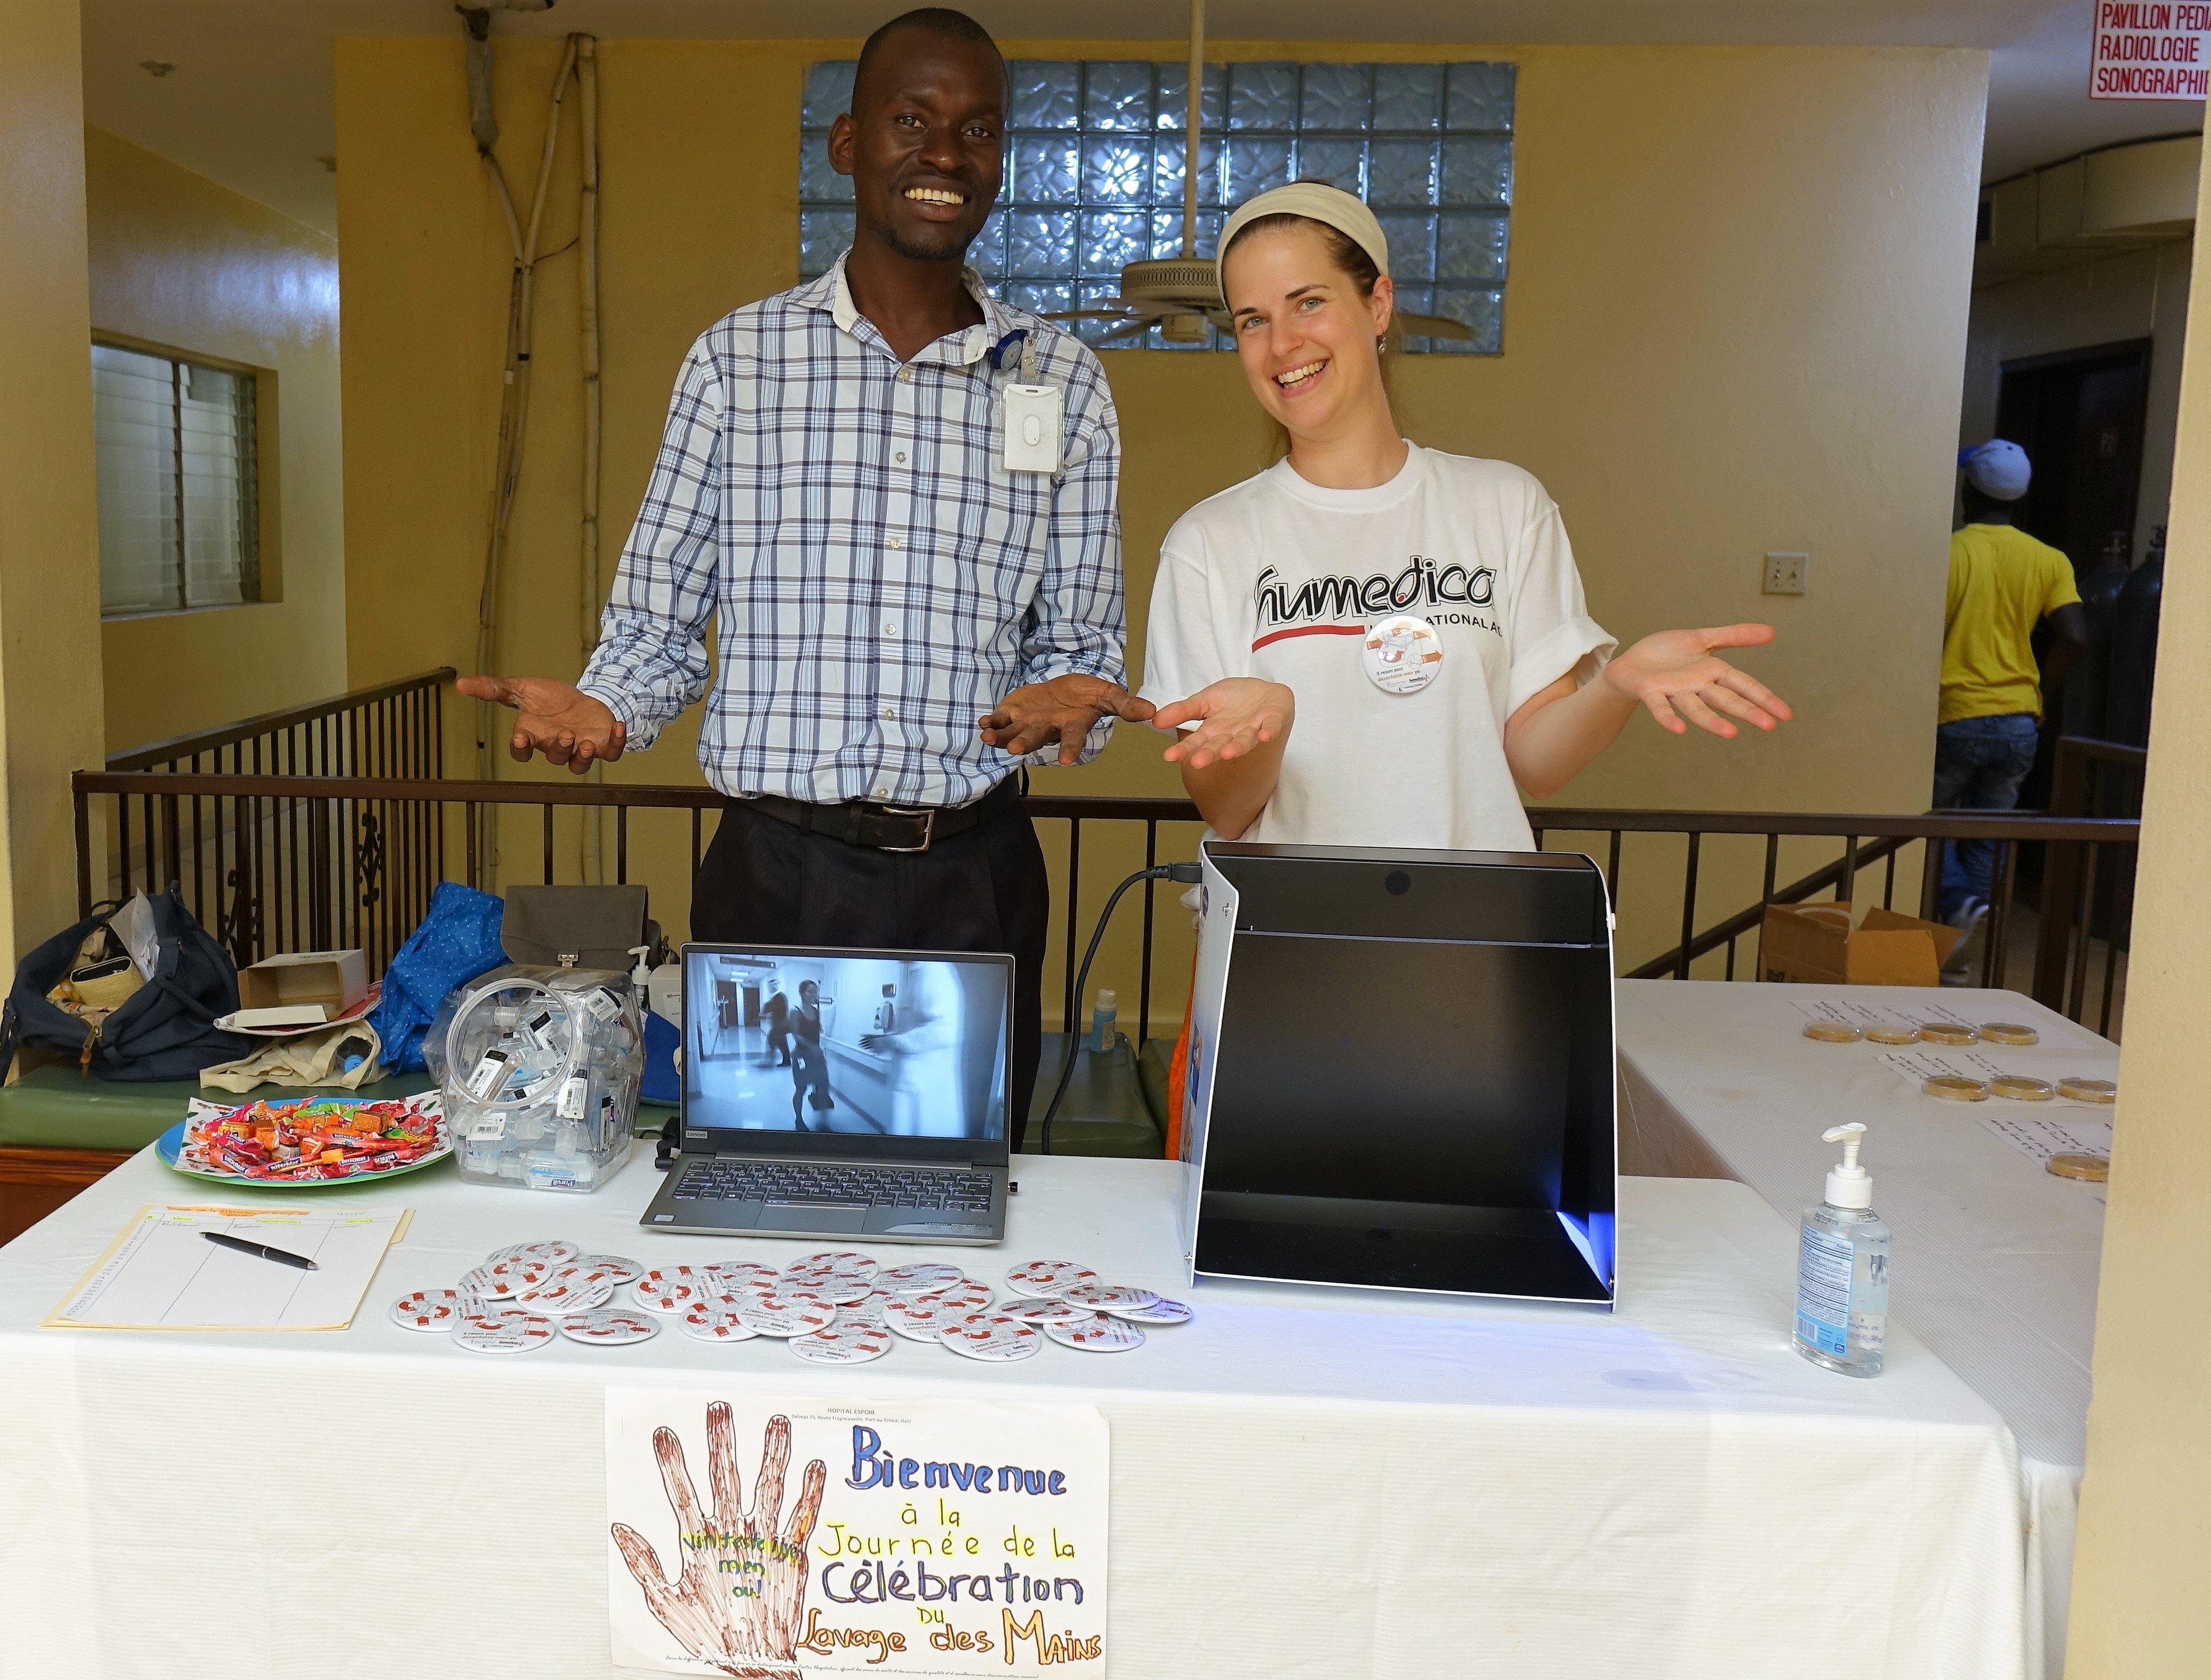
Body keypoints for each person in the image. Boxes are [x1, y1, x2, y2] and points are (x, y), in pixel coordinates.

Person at [455, 9, 1152, 1142]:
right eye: (912, 120)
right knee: (767, 1188)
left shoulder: (1061, 379)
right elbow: (660, 620)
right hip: (777, 871)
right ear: (847, 143)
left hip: (969, 877)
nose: (944, 154)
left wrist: (1077, 689)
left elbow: (1080, 638)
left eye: (977, 130)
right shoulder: (740, 361)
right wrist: (606, 704)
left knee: (960, 1193)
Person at [1139, 181, 1792, 853]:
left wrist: (1618, 686)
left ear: (1378, 305)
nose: (1282, 344)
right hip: (1285, 934)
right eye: (1252, 320)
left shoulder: (1504, 507)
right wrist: (1266, 730)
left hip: (1472, 929)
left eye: (1309, 302)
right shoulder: (1209, 543)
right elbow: (1224, 810)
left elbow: (1537, 764)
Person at [1933, 440, 2087, 939]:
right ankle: (1965, 945)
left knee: (1924, 827)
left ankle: (1957, 905)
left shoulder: (1949, 553)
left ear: (1966, 493)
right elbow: (2074, 634)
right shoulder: (2048, 559)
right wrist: (2040, 696)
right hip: (2020, 721)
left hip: (1954, 714)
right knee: (1988, 836)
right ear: (2017, 499)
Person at [789, 980, 834, 1125]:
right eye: (811, 992)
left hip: (817, 1055)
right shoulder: (795, 1011)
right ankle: (799, 1119)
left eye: (816, 992)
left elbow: (816, 1030)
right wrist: (812, 1047)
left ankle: (822, 1117)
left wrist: (818, 1030)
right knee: (801, 1089)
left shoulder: (816, 1011)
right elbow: (796, 1035)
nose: (814, 995)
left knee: (823, 1085)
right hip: (802, 1056)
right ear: (802, 993)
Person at [760, 984, 791, 1068]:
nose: (771, 988)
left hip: (780, 1025)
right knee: (782, 1043)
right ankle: (786, 1061)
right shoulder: (780, 997)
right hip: (782, 1024)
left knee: (772, 1040)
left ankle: (769, 1061)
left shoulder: (778, 997)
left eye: (773, 986)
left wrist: (765, 1013)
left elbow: (771, 1009)